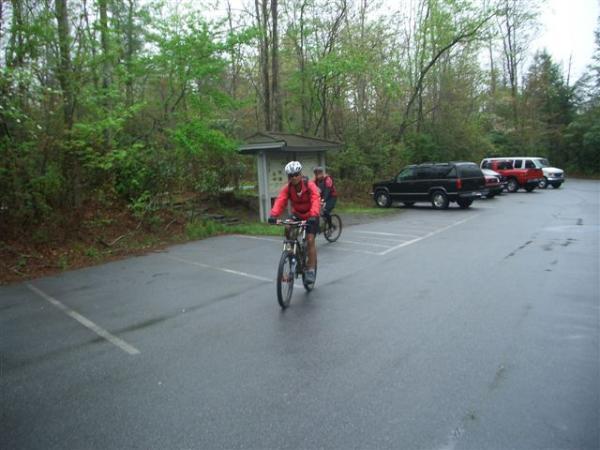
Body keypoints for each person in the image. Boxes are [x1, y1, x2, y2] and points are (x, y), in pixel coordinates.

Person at [268, 161, 320, 284]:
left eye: (296, 174)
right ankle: (291, 252)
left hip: (311, 215)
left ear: (300, 174)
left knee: (310, 240)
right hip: (297, 214)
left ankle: (310, 270)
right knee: (287, 227)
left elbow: (316, 199)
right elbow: (281, 200)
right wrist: (273, 215)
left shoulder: (309, 185)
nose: (294, 177)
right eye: (291, 175)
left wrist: (313, 215)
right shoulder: (288, 188)